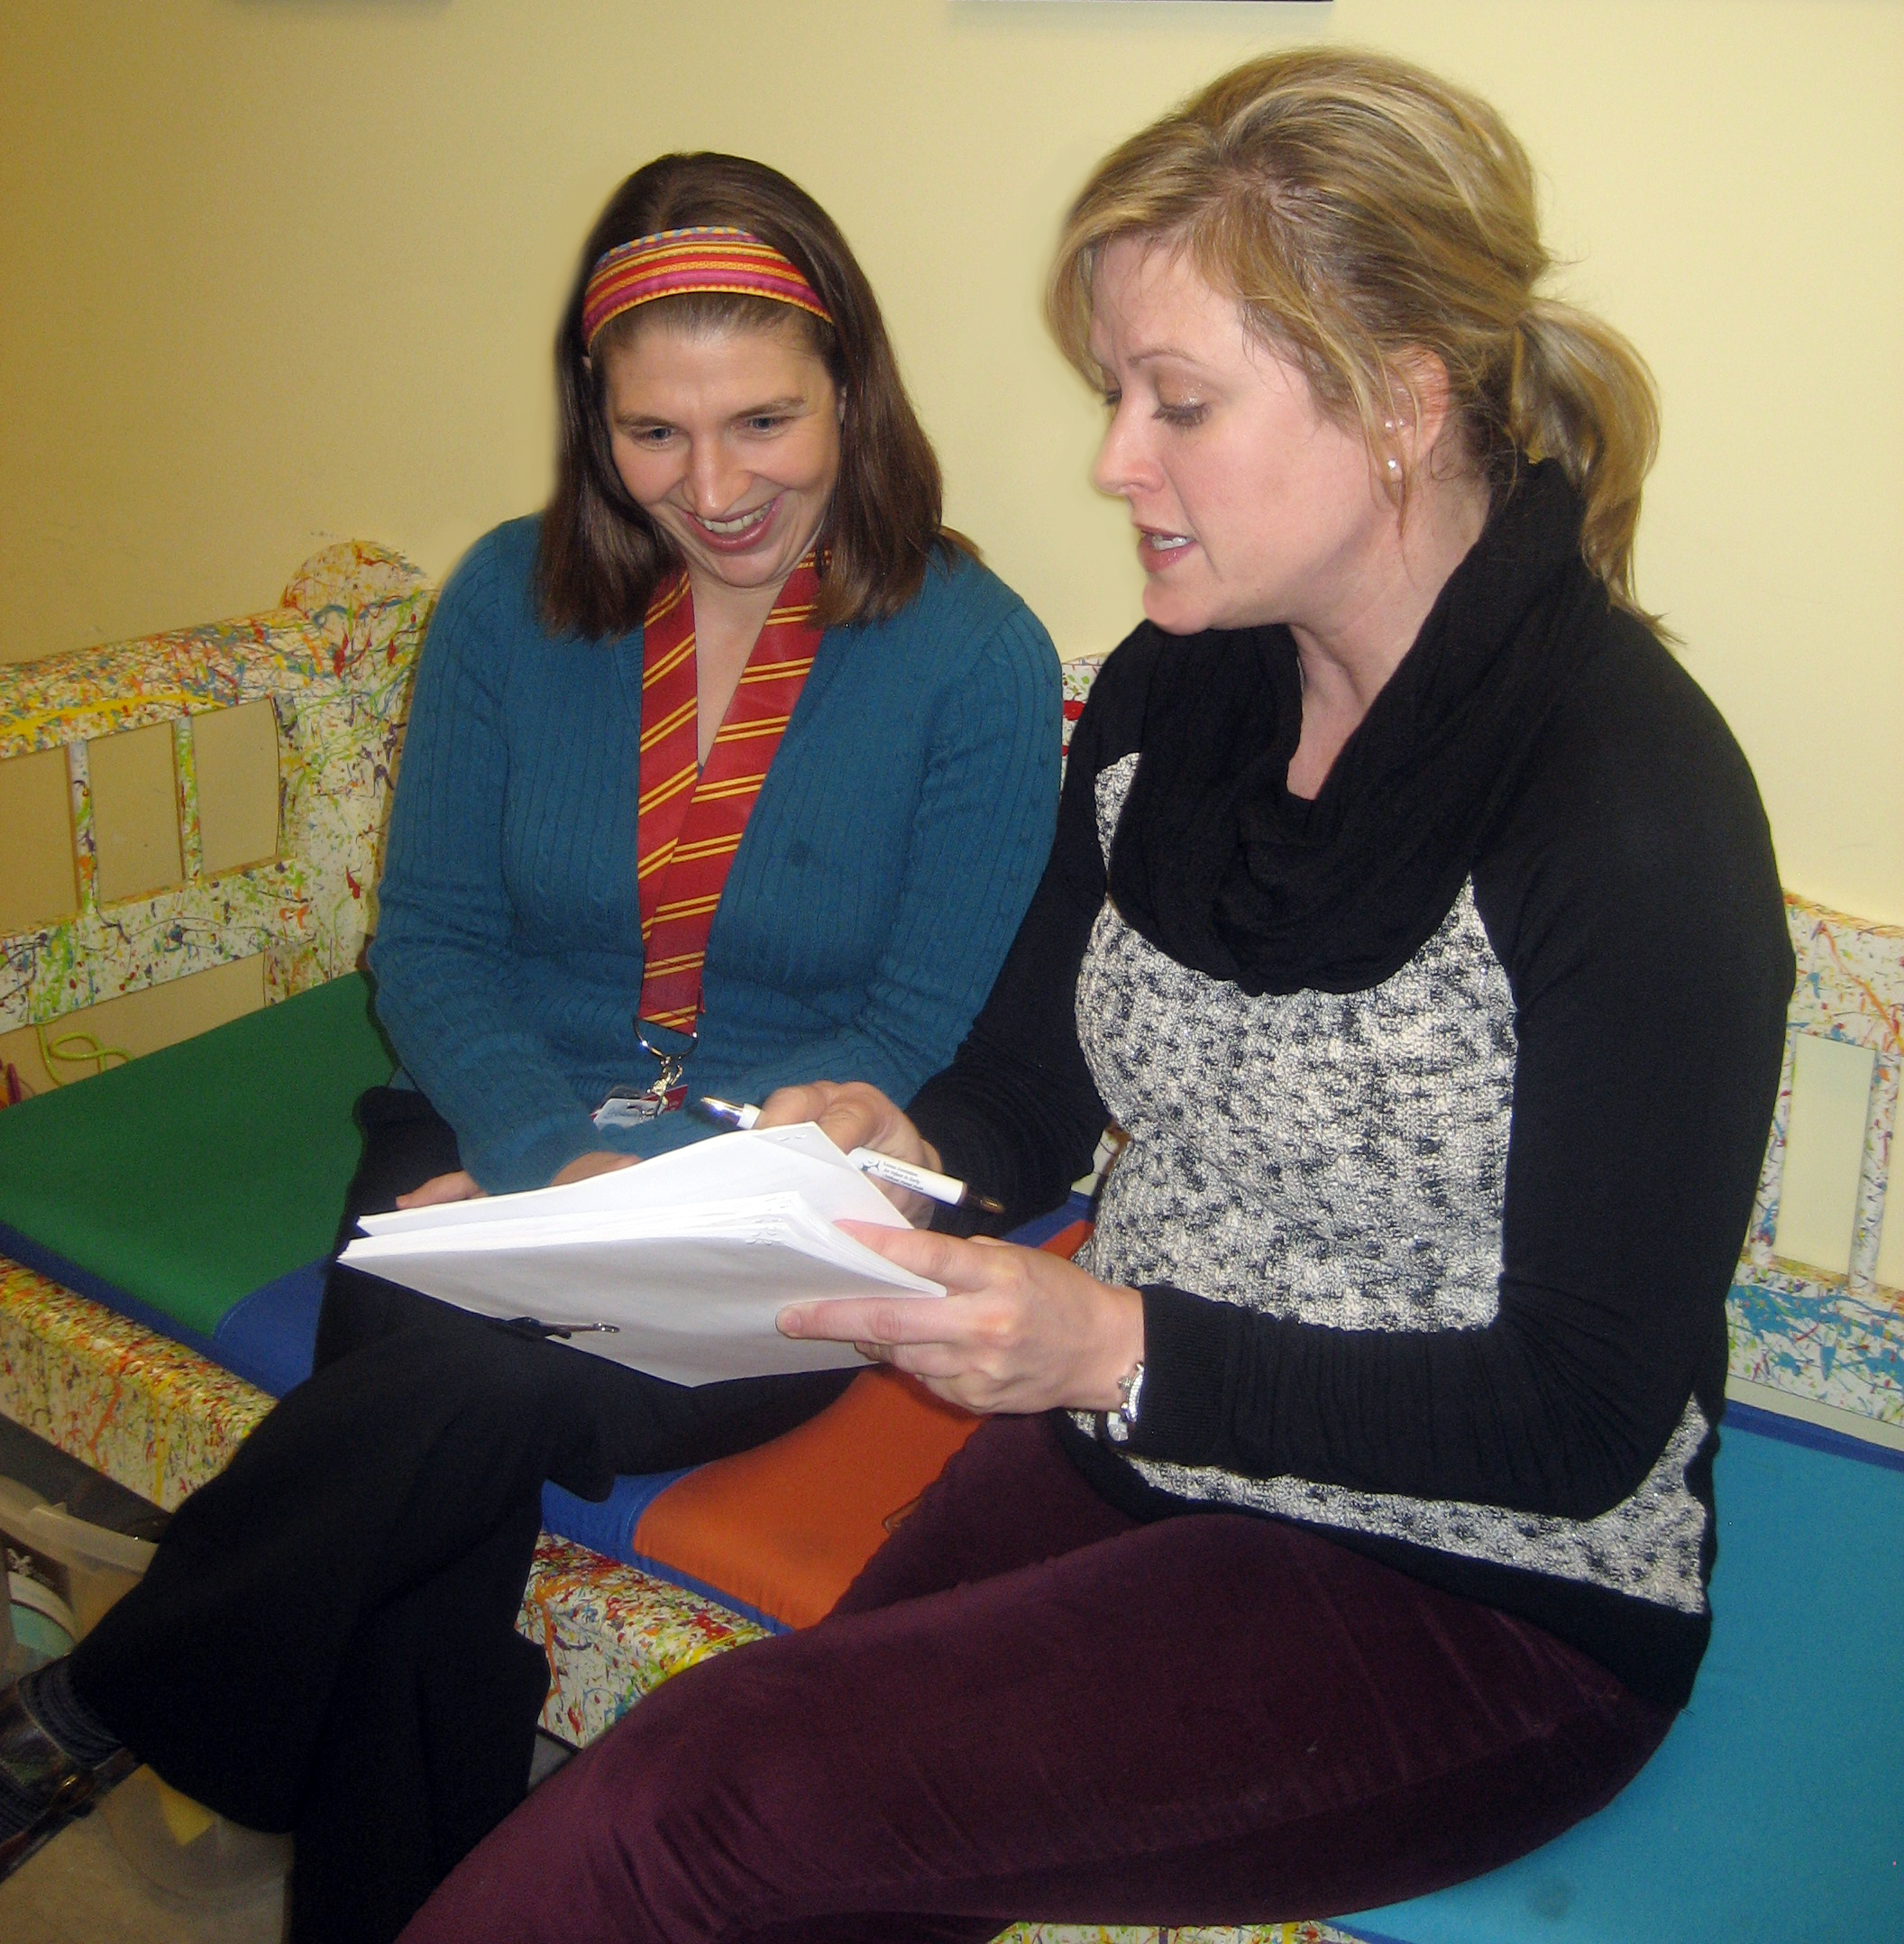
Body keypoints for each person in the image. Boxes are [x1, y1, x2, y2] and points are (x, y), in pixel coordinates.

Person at [397, 48, 1795, 1943]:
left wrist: (1119, 1351)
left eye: (1179, 403)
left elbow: (1585, 1416)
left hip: (1482, 1589)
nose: (1111, 460)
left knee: (688, 1813)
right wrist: (911, 1138)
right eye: (1115, 392)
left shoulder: (1623, 799)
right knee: (787, 1822)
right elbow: (1034, 1086)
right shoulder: (1177, 687)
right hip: (1150, 1439)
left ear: (1403, 399)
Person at [0, 154, 1059, 1936]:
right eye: (655, 433)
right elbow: (432, 943)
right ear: (594, 420)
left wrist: (710, 1163)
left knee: (446, 1390)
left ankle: (104, 1706)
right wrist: (518, 1145)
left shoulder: (975, 651)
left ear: (854, 395)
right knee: (456, 1440)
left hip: (763, 1210)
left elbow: (907, 1015)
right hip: (491, 1137)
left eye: (764, 422)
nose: (714, 489)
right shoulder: (511, 598)